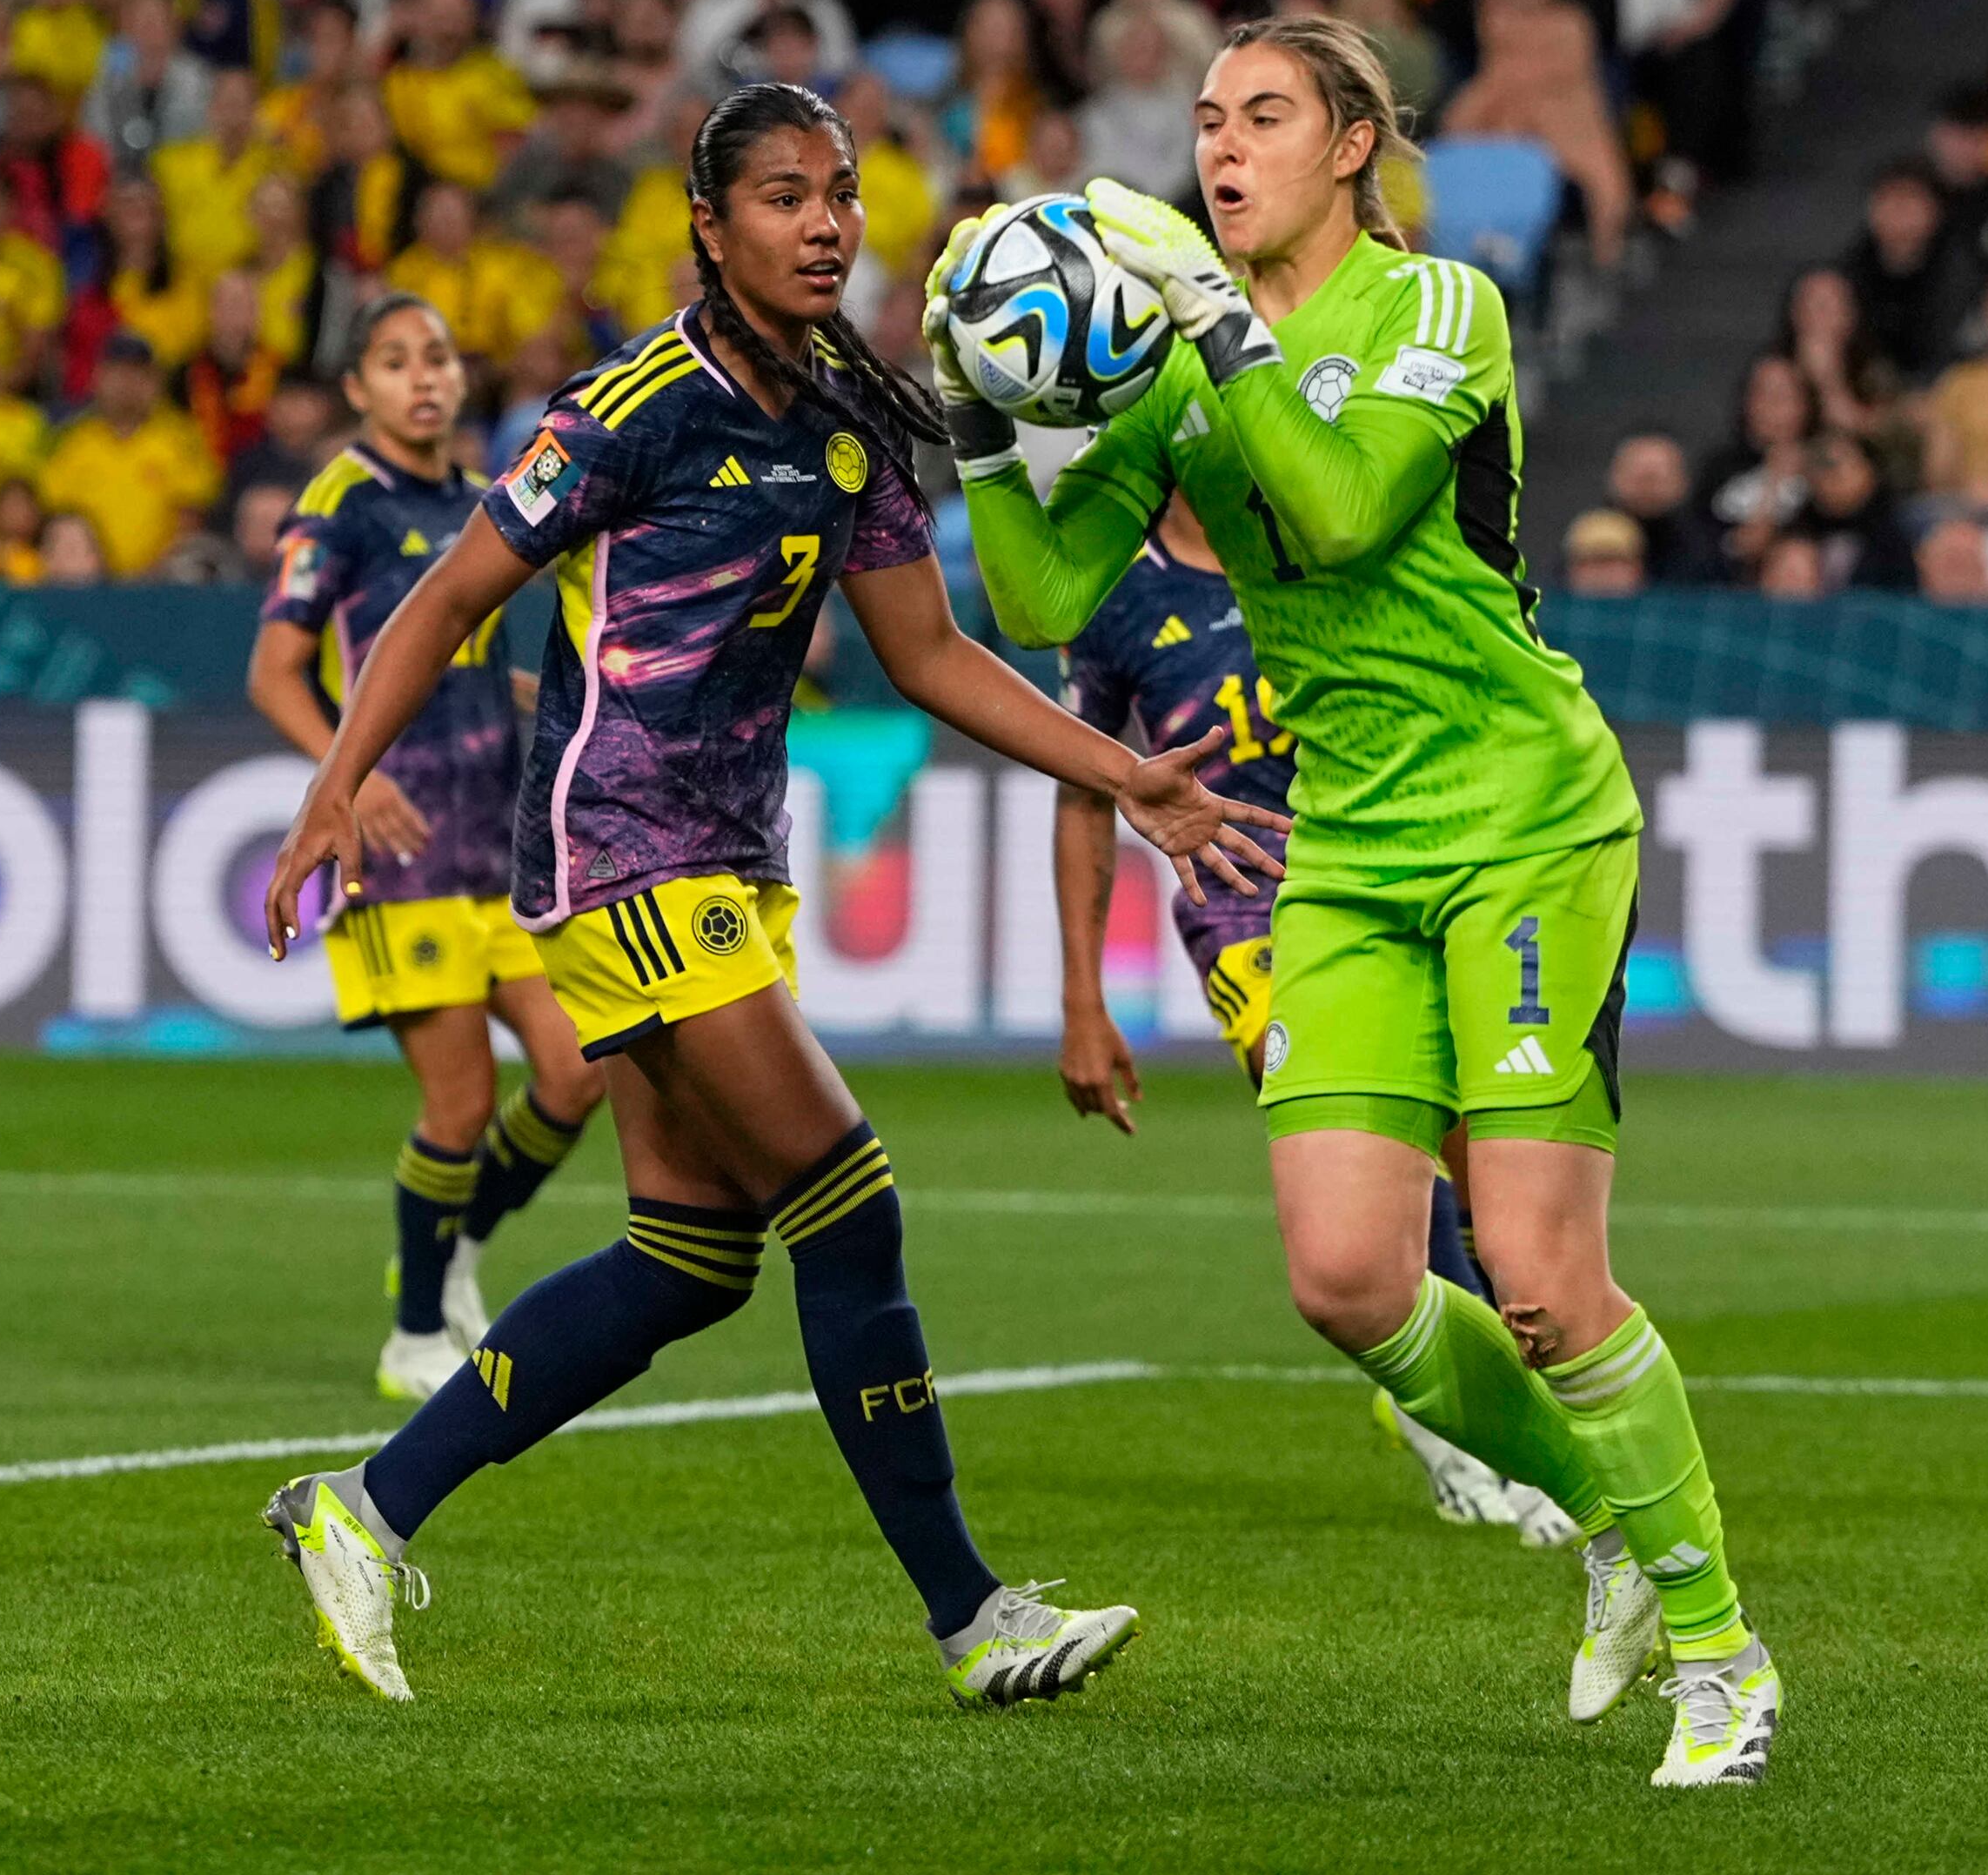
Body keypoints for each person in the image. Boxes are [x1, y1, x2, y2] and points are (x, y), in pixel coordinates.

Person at [251, 84, 1283, 1710]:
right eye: (787, 196)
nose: (824, 223)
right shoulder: (636, 400)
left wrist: (1121, 771)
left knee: (691, 1251)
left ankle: (361, 1507)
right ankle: (971, 1613)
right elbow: (456, 588)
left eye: (843, 193)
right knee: (848, 1194)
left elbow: (931, 655)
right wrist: (330, 782)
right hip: (619, 843)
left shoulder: (855, 410)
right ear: (711, 226)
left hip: (731, 853)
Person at [948, 17, 1782, 1789]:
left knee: (1548, 1284)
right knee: (1344, 1277)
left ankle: (1720, 1649)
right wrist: (982, 407)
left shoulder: (1439, 312)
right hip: (1347, 842)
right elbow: (1036, 598)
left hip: (1523, 816)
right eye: (1201, 121)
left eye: (1262, 115)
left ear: (1354, 147)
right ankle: (1609, 1519)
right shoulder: (1178, 370)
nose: (1220, 147)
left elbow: (1328, 513)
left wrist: (1211, 327)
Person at [1050, 492, 1576, 1550]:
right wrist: (1081, 998)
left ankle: (1471, 1394)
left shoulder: (1326, 538)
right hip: (1239, 903)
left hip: (1383, 874)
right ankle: (1465, 1445)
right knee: (1379, 1136)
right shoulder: (1113, 592)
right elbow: (1082, 793)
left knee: (1480, 1155)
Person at [245, 294, 608, 1403]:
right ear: (357, 389)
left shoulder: (491, 506)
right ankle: (412, 1334)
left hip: (499, 838)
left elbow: (475, 657)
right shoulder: (339, 503)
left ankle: (448, 1249)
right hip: (395, 855)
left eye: (438, 358)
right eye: (395, 361)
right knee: (455, 1105)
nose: (423, 378)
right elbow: (273, 672)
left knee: (573, 1074)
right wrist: (348, 779)